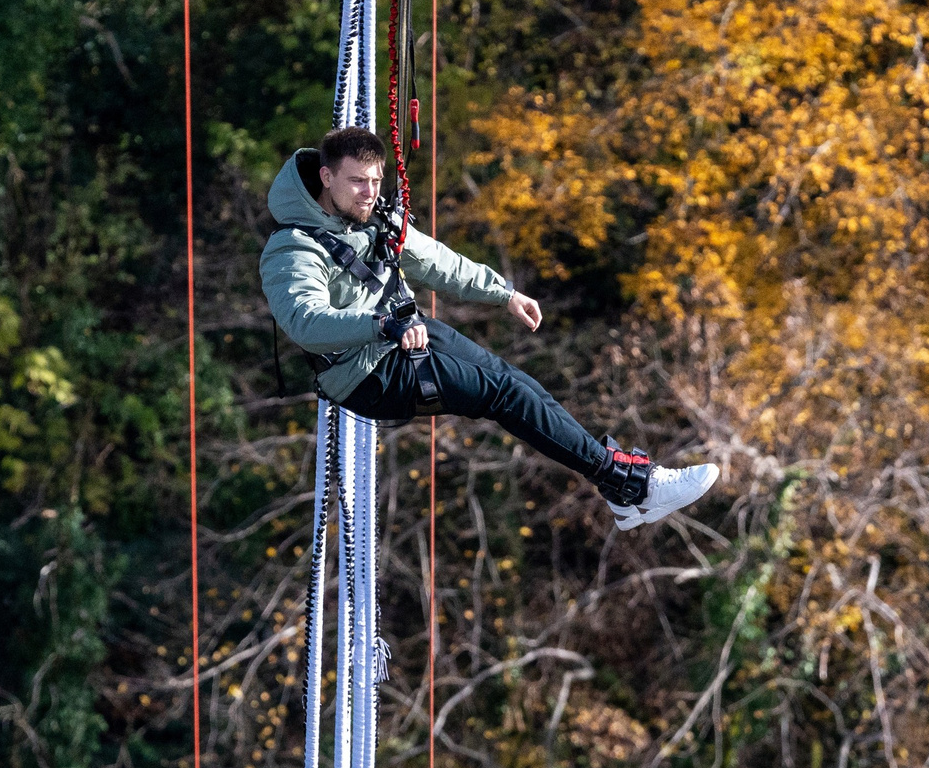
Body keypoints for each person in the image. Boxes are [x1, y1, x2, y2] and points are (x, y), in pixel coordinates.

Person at [262, 127, 719, 530]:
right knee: (505, 396)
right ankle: (631, 486)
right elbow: (306, 323)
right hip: (365, 374)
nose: (368, 192)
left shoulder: (375, 218)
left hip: (405, 334)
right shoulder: (293, 248)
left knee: (518, 382)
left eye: (376, 180)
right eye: (357, 181)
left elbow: (438, 261)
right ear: (326, 178)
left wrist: (504, 293)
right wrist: (382, 324)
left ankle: (621, 492)